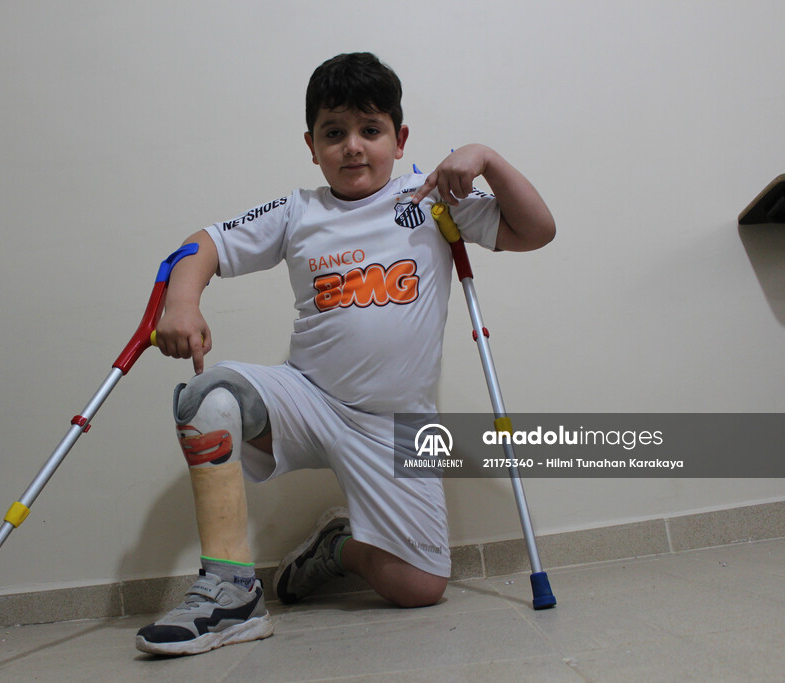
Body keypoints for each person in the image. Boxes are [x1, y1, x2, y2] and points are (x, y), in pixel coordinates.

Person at [135, 52, 555, 656]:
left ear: (399, 137)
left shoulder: (431, 199)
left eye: (370, 130)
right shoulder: (298, 211)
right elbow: (202, 245)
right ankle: (231, 596)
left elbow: (537, 230)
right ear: (311, 145)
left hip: (396, 424)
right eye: (334, 133)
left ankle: (335, 548)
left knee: (420, 587)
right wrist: (182, 305)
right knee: (209, 398)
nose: (353, 147)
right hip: (306, 399)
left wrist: (486, 157)